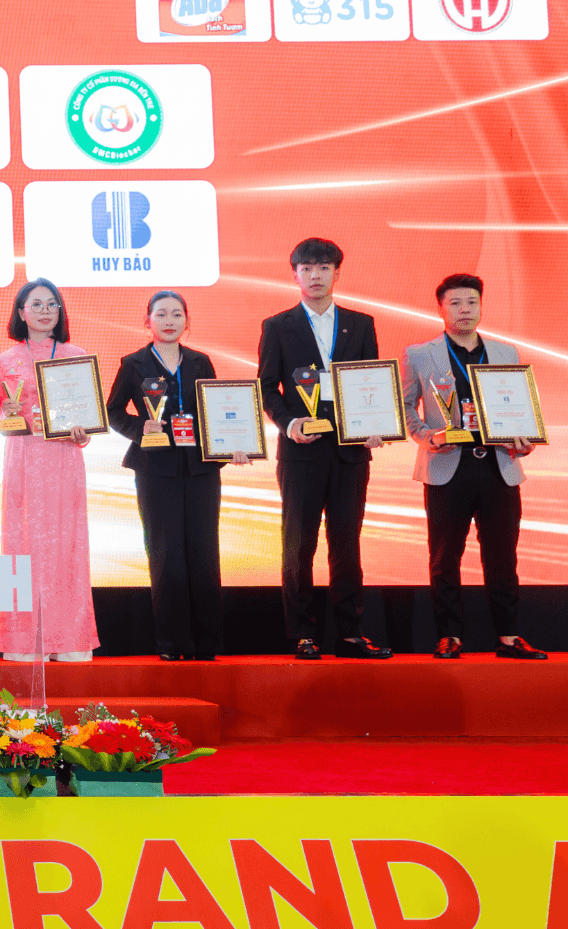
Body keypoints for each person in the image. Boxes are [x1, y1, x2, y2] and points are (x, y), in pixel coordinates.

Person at [256, 238, 391, 660]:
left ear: (337, 273)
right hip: (301, 451)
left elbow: (371, 382)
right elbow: (266, 388)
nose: (315, 275)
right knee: (298, 544)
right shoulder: (277, 326)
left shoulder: (361, 323)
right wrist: (289, 423)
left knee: (347, 543)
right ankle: (303, 634)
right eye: (307, 268)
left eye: (324, 267)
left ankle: (350, 634)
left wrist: (374, 425)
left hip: (351, 452)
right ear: (294, 274)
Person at [401, 273, 547, 660]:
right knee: (444, 557)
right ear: (440, 308)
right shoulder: (419, 354)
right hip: (447, 466)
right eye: (455, 303)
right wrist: (429, 437)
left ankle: (509, 637)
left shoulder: (505, 352)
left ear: (480, 306)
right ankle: (449, 636)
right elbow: (405, 407)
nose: (464, 310)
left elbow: (517, 406)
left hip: (500, 466)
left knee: (503, 557)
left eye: (471, 302)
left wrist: (524, 439)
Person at [107, 291, 242, 662]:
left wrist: (234, 444)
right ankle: (172, 643)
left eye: (177, 314)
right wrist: (140, 428)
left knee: (204, 549)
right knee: (165, 552)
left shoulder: (200, 361)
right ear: (147, 321)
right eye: (161, 314)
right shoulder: (133, 363)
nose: (169, 321)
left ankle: (207, 642)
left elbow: (218, 410)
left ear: (187, 321)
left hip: (201, 467)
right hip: (155, 467)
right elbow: (114, 411)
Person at [0, 278, 97, 663]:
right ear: (21, 312)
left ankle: (70, 639)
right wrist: (7, 414)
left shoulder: (76, 356)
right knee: (22, 545)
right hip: (23, 457)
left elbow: (87, 417)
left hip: (64, 458)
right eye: (36, 304)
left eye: (52, 304)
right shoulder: (5, 360)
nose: (45, 311)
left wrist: (83, 432)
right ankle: (24, 642)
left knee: (67, 545)